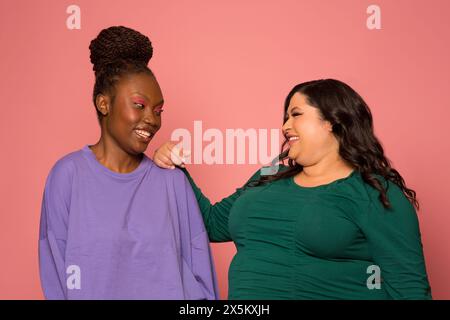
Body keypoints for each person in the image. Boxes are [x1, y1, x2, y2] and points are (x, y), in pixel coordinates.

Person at [154, 79, 432, 299]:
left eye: (296, 115)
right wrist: (175, 169)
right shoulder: (272, 172)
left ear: (333, 122)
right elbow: (212, 225)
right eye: (285, 117)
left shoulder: (374, 192)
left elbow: (409, 288)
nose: (285, 126)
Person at [38, 26, 218, 299]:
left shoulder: (171, 180)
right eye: (139, 105)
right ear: (104, 104)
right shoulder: (68, 175)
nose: (152, 120)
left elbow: (200, 270)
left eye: (158, 111)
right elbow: (54, 269)